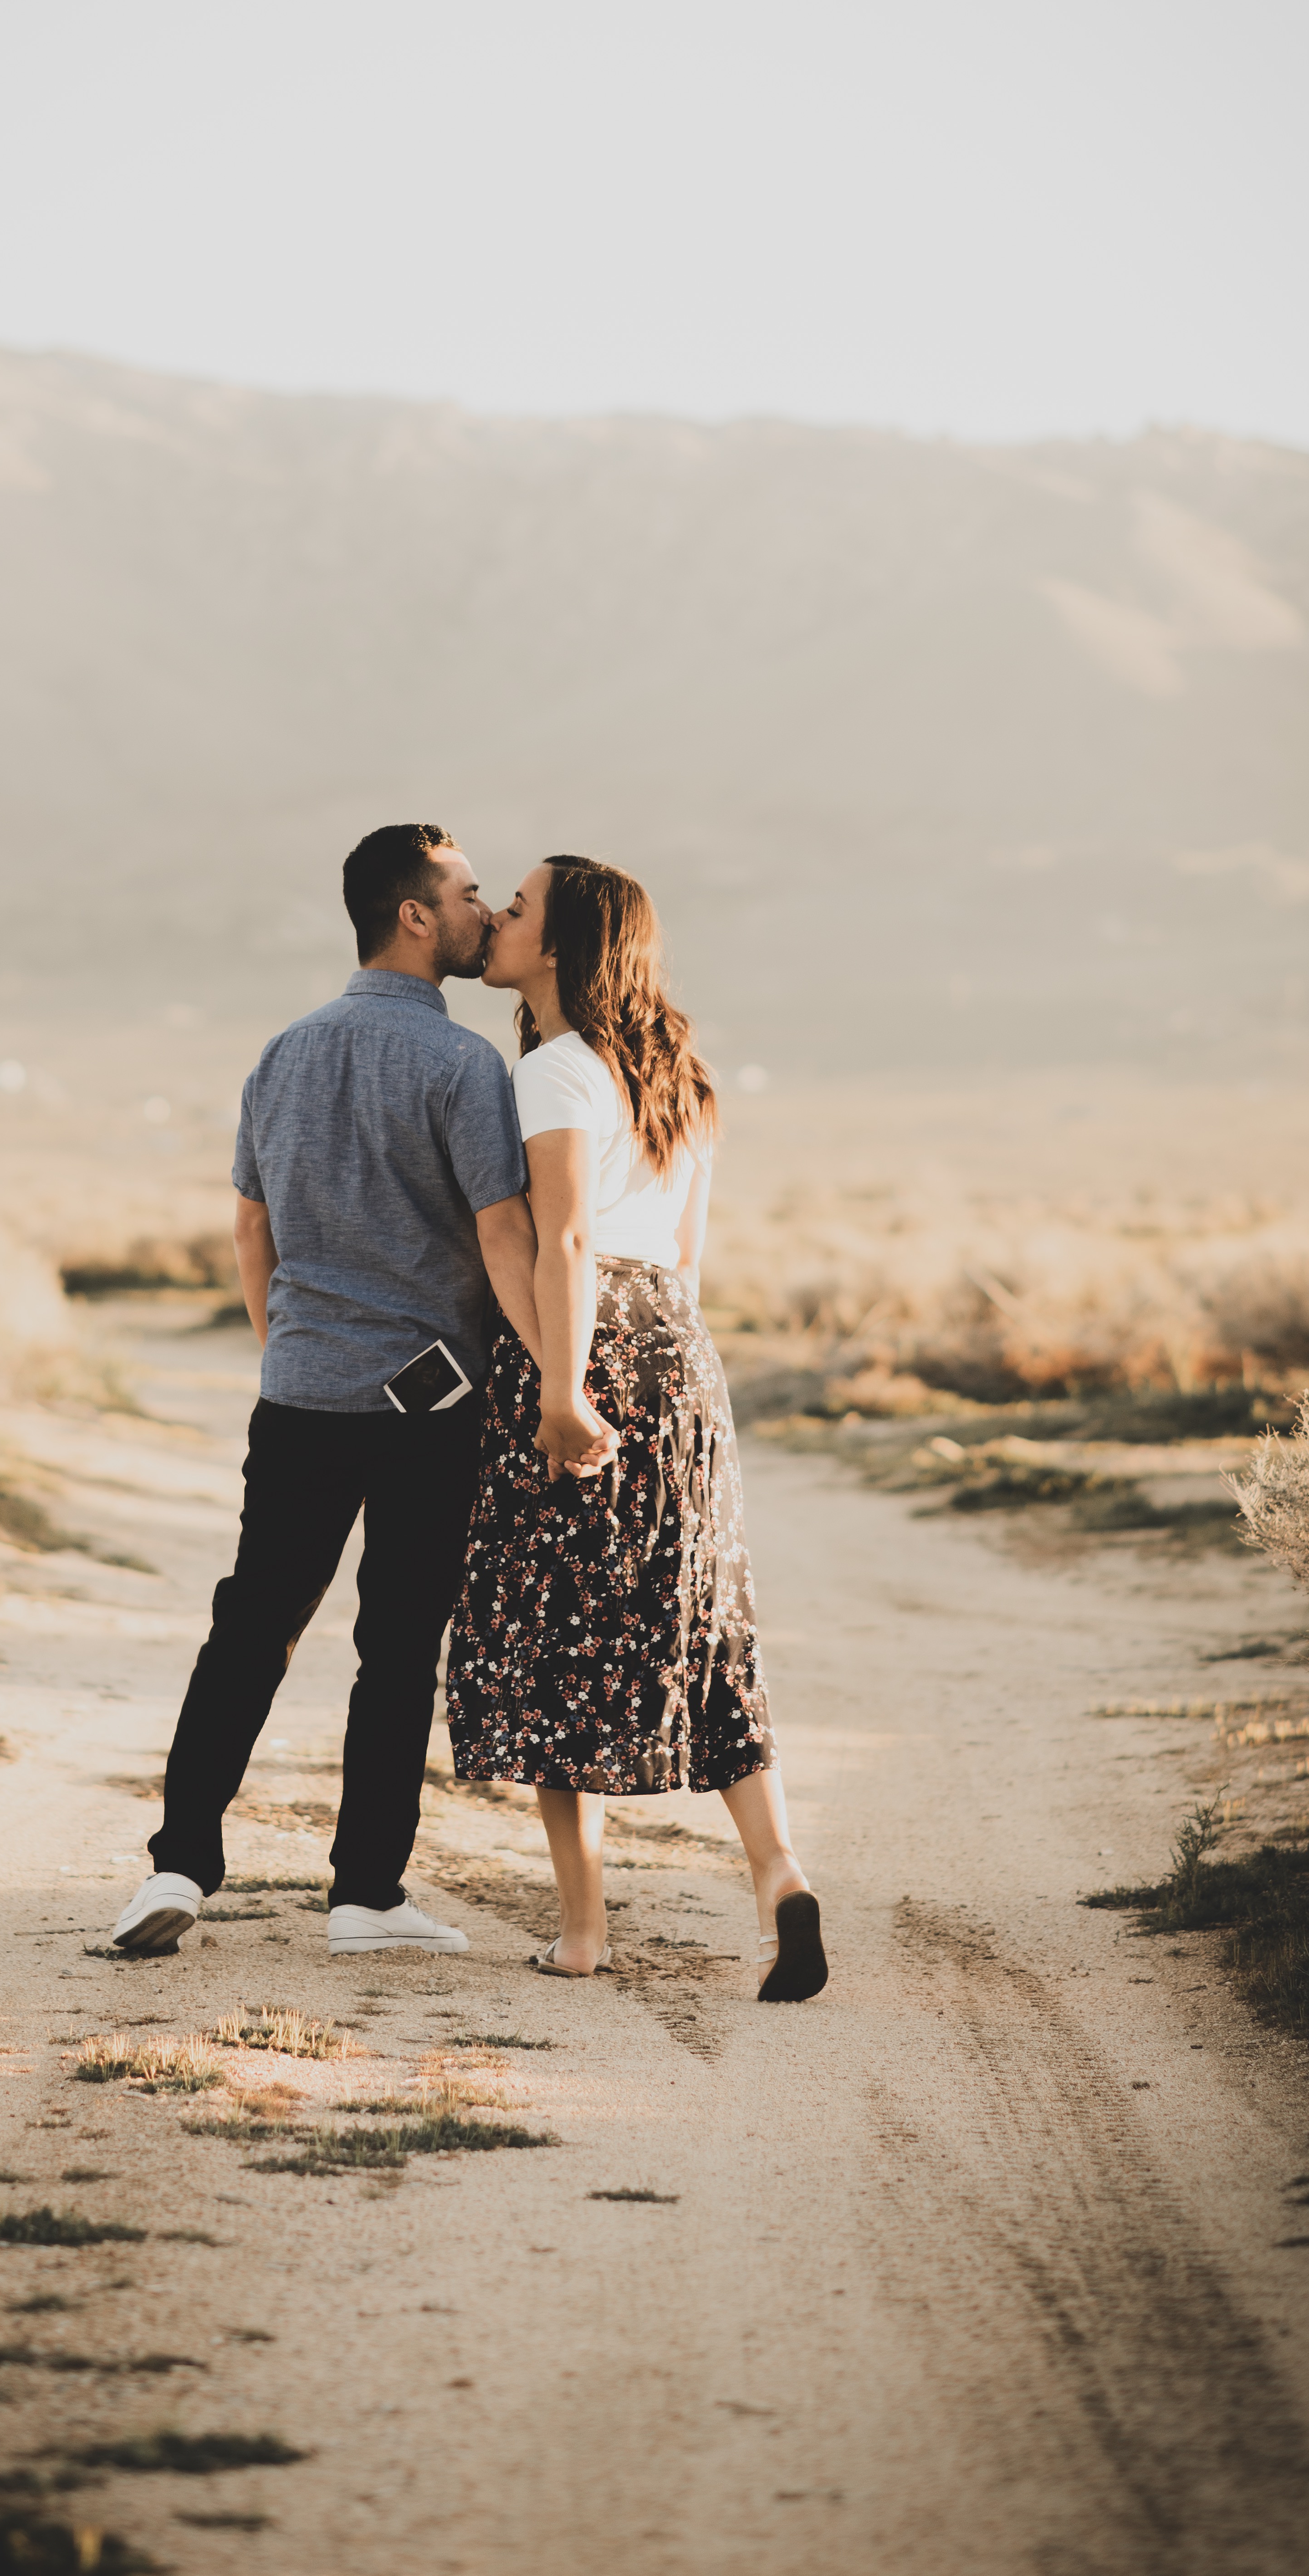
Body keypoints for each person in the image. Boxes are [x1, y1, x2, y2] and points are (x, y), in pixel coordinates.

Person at [107, 823, 541, 1961]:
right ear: (414, 914)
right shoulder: (463, 1067)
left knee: (251, 1629)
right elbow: (504, 1240)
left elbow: (251, 1226)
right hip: (426, 1409)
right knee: (396, 1649)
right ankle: (365, 1896)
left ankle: (178, 1866)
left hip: (298, 1394)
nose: (482, 912)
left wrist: (286, 1348)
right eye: (467, 892)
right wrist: (552, 1376)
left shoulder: (283, 1052)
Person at [445, 854, 827, 2002]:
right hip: (680, 1352)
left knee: (558, 1627)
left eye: (516, 910)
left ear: (559, 950)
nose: (500, 922)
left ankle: (581, 1929)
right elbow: (693, 1262)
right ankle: (778, 1875)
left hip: (586, 1339)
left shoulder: (558, 1071)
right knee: (702, 1622)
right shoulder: (683, 1079)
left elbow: (560, 1245)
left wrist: (563, 1392)